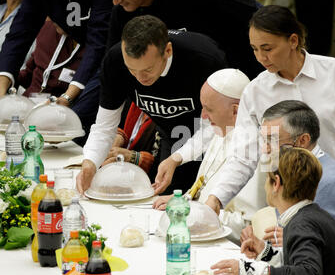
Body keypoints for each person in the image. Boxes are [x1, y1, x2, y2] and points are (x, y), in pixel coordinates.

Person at [177, 5, 335, 275]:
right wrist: (215, 200)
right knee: (307, 255)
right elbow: (243, 156)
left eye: (267, 48)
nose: (260, 57)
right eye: (255, 49)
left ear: (293, 40)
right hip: (292, 184)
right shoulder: (256, 90)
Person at [76, 15, 227, 195]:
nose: (140, 78)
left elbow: (217, 126)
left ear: (168, 51)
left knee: (200, 199)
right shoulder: (115, 61)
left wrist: (178, 158)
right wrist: (90, 162)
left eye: (147, 69)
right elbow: (104, 126)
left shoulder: (204, 60)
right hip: (169, 133)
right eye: (132, 70)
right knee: (165, 197)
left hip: (211, 133)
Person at [239, 100, 335, 269]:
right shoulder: (289, 169)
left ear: (302, 140)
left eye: (272, 140)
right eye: (263, 141)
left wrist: (297, 240)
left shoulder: (333, 182)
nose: (265, 149)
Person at [210, 147, 335, 275]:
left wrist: (250, 271)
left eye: (267, 178)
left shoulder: (302, 225)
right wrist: (265, 252)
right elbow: (297, 264)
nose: (266, 185)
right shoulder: (314, 216)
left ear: (276, 183)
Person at [153, 68, 267, 245]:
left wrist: (191, 211)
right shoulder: (222, 129)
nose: (203, 116)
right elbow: (204, 189)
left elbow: (246, 226)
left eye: (209, 109)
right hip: (200, 234)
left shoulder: (256, 152)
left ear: (236, 111)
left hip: (224, 246)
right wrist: (183, 201)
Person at [0, 0, 112, 145]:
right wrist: (2, 89)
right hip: (32, 109)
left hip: (95, 72)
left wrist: (67, 97)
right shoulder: (46, 34)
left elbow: (97, 45)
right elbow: (19, 33)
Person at [107, 0, 263, 79]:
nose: (115, 1)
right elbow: (113, 69)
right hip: (167, 101)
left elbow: (259, 24)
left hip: (233, 84)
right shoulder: (121, 13)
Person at [17, 18, 84, 98]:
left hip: (61, 106)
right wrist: (6, 74)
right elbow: (28, 74)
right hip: (29, 101)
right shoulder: (48, 28)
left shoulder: (93, 46)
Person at [101, 100, 157, 173]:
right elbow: (117, 124)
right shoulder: (133, 99)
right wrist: (119, 136)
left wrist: (133, 157)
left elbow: (165, 166)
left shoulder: (169, 114)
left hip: (145, 178)